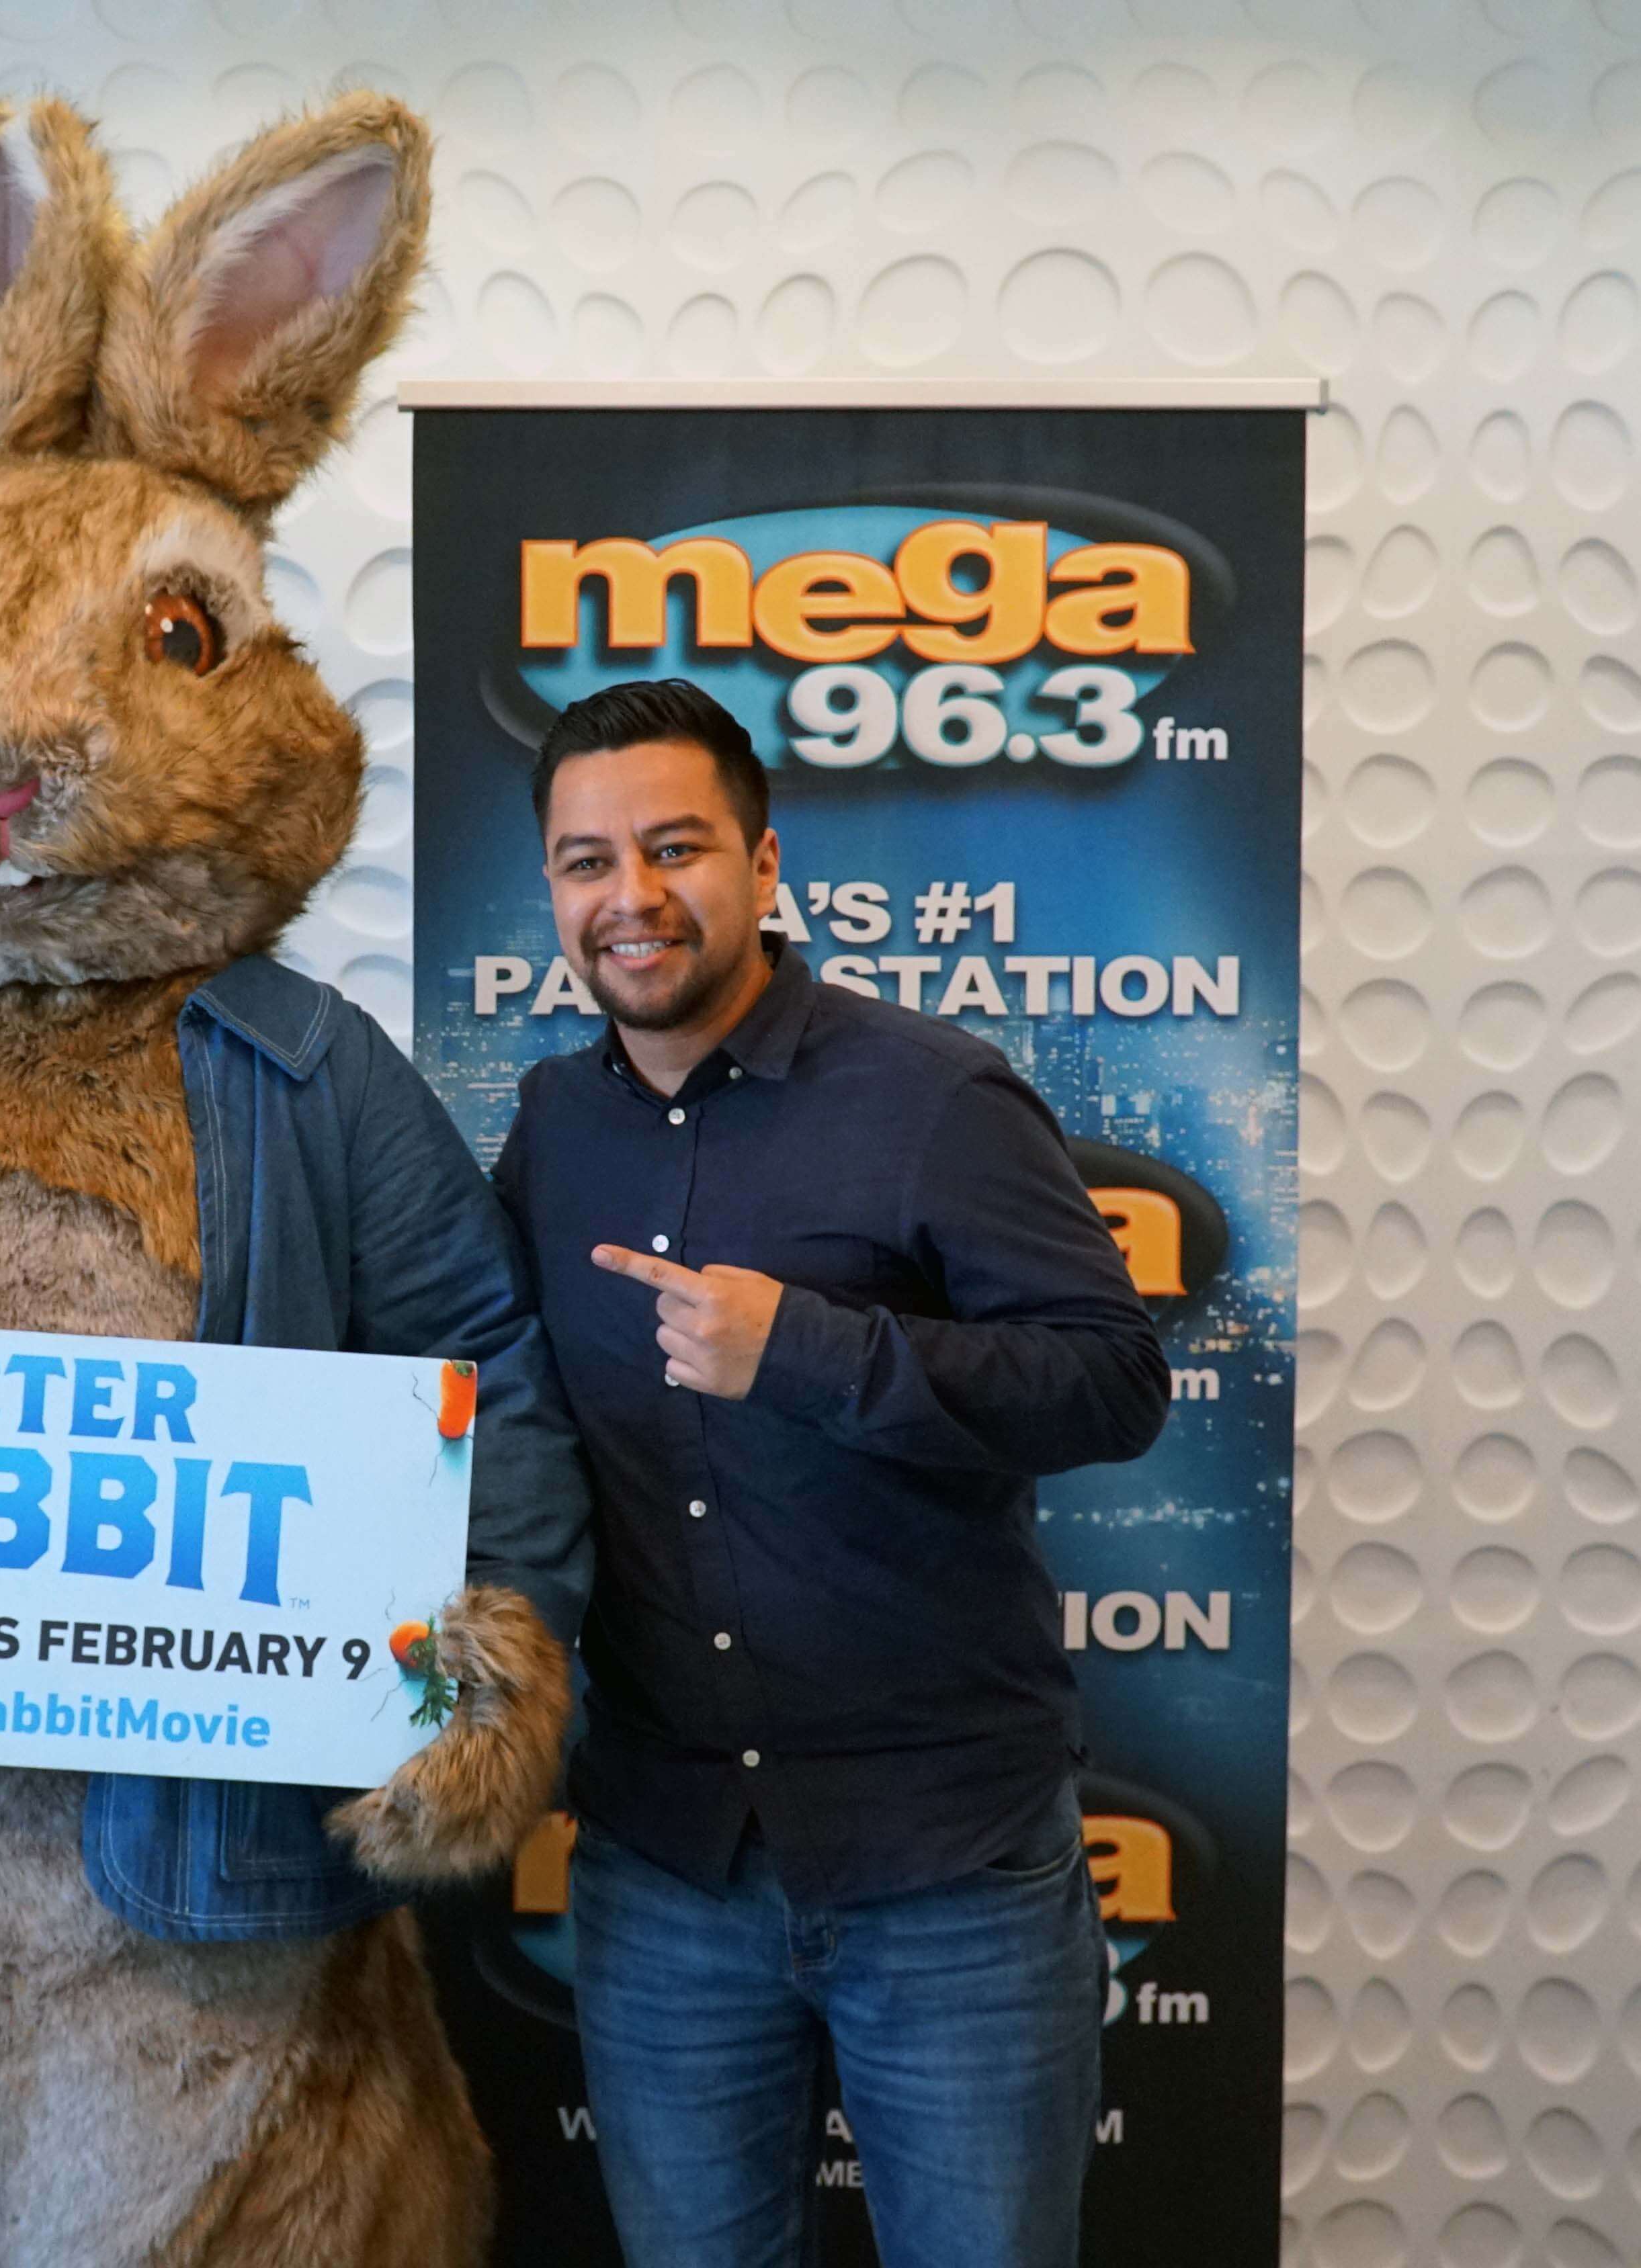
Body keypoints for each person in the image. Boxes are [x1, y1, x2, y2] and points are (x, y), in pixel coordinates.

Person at [490, 678, 1171, 2268]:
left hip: (948, 1870)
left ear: (764, 861)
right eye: (588, 861)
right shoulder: (551, 1125)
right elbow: (489, 1402)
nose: (632, 895)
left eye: (676, 846)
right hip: (667, 1869)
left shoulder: (933, 1095)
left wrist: (813, 1349)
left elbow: (1114, 1376)